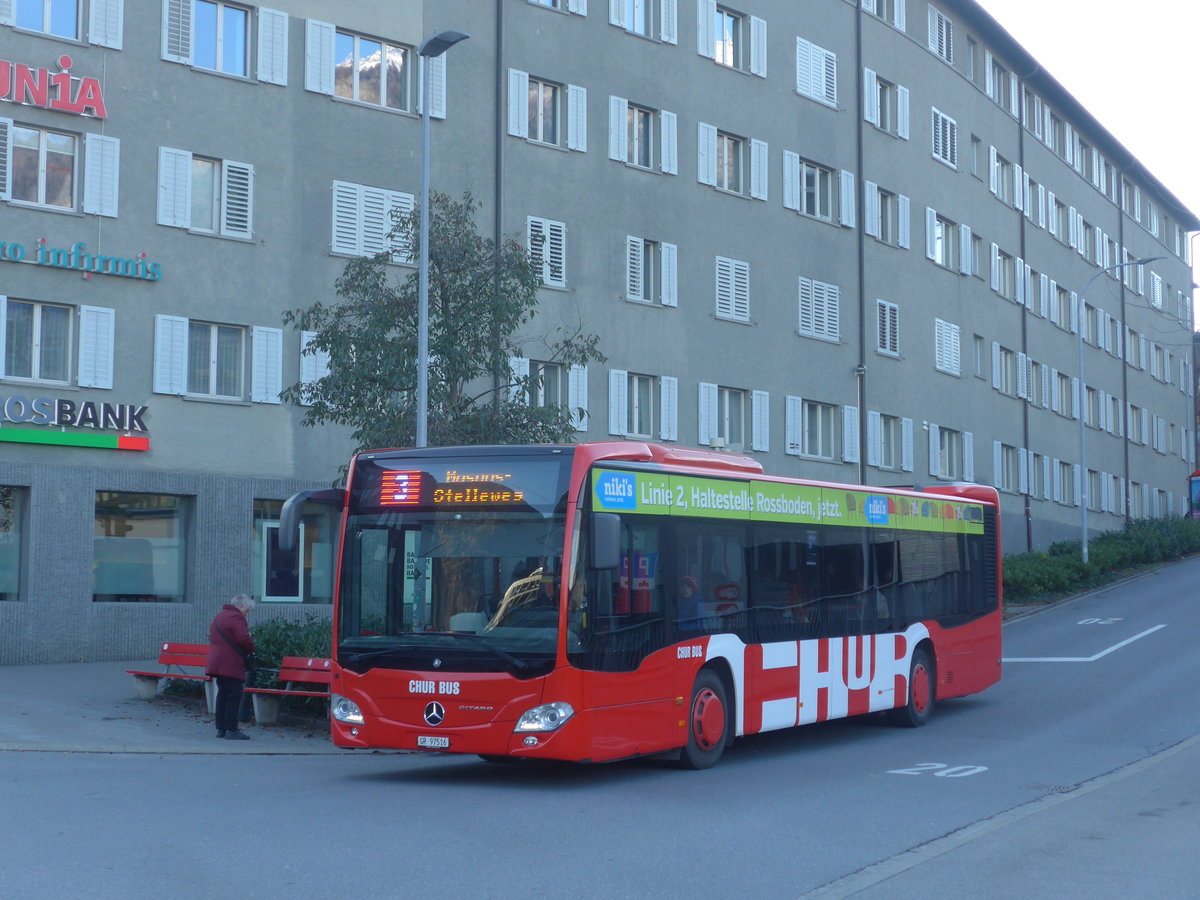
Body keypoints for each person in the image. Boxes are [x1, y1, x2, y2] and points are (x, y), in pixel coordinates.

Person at [205, 593, 256, 740]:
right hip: (230, 662)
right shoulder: (236, 617)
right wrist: (252, 649)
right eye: (247, 609)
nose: (247, 613)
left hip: (217, 661)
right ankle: (232, 729)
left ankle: (221, 729)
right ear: (240, 606)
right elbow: (243, 638)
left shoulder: (220, 616)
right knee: (234, 695)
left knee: (222, 695)